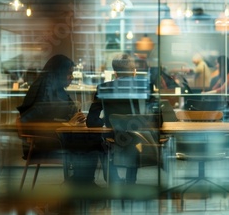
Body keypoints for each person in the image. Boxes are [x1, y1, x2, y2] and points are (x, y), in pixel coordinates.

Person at [17, 54, 100, 185]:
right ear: (58, 73)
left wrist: (76, 118)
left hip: (55, 138)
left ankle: (80, 183)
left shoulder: (55, 89)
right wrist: (67, 123)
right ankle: (82, 184)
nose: (71, 77)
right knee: (90, 144)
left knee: (93, 141)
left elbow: (70, 111)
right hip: (41, 142)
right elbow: (32, 121)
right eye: (69, 73)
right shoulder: (42, 89)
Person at [87, 53, 154, 184]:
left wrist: (108, 123)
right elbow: (154, 116)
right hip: (140, 138)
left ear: (115, 73)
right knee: (134, 140)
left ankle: (113, 180)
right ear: (134, 72)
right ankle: (130, 181)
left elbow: (91, 121)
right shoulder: (145, 87)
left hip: (113, 137)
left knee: (101, 142)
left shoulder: (103, 88)